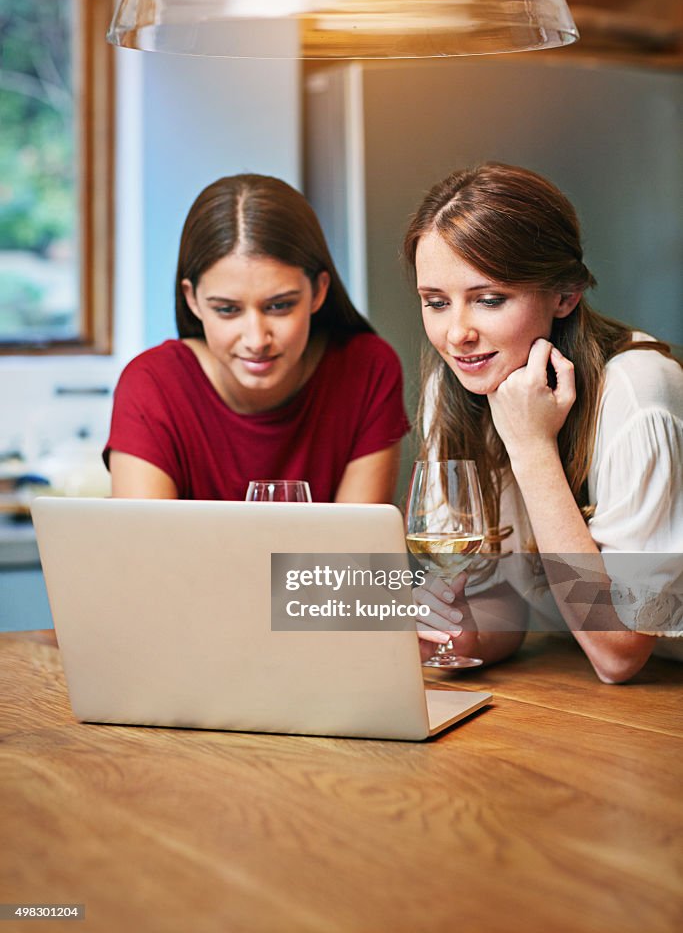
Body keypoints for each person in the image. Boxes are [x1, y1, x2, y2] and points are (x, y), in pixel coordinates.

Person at [402, 162, 683, 682]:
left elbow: (619, 651)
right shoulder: (459, 385)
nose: (457, 333)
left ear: (565, 295)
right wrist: (463, 632)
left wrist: (532, 448)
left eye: (489, 299)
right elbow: (505, 599)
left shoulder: (639, 393)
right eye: (436, 303)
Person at [105, 174, 410, 503]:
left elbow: (352, 554)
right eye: (227, 310)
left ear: (319, 291)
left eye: (279, 306)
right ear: (192, 300)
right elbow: (146, 551)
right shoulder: (151, 384)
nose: (256, 340)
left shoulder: (367, 369)